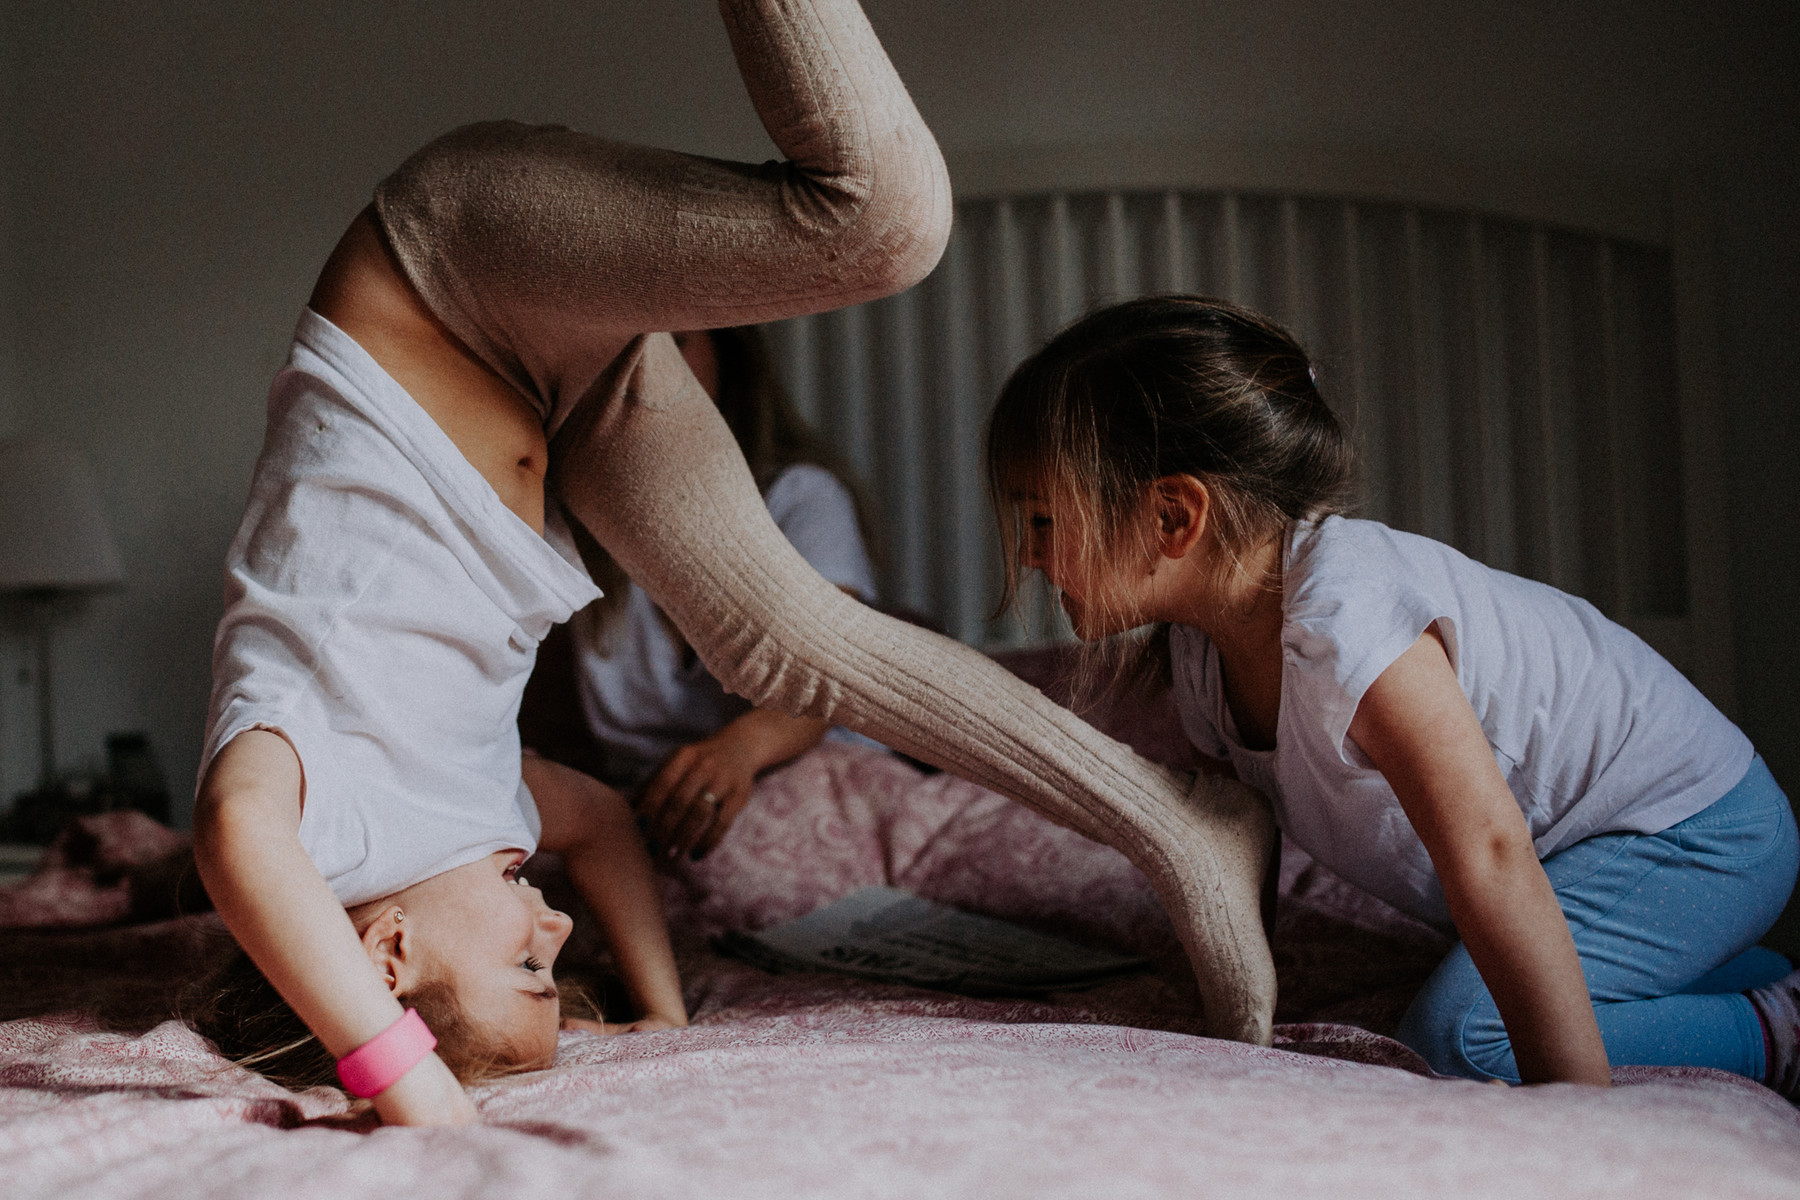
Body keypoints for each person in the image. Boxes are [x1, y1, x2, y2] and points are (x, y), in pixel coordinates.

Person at [191, 0, 1279, 1129]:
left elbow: (234, 837)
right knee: (792, 647)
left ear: (388, 956)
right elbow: (607, 823)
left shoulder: (320, 820)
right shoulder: (480, 825)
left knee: (887, 224)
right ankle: (1183, 824)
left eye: (527, 968)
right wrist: (664, 1013)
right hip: (556, 390)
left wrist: (413, 1092)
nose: (556, 934)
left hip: (444, 271)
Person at [982, 292, 1800, 1090]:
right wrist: (1241, 1012)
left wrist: (1581, 1126)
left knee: (1463, 1040)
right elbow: (1234, 846)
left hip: (1692, 832)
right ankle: (1729, 972)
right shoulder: (1201, 660)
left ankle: (1775, 1031)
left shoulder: (1348, 623)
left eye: (1044, 521)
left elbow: (1491, 852)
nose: (1028, 557)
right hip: (1589, 861)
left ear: (1172, 518)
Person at [563, 325, 881, 861]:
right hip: (651, 804)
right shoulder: (569, 521)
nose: (645, 373)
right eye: (620, 352)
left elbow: (830, 683)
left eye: (677, 342)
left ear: (728, 350)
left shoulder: (801, 497)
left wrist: (740, 751)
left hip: (812, 773)